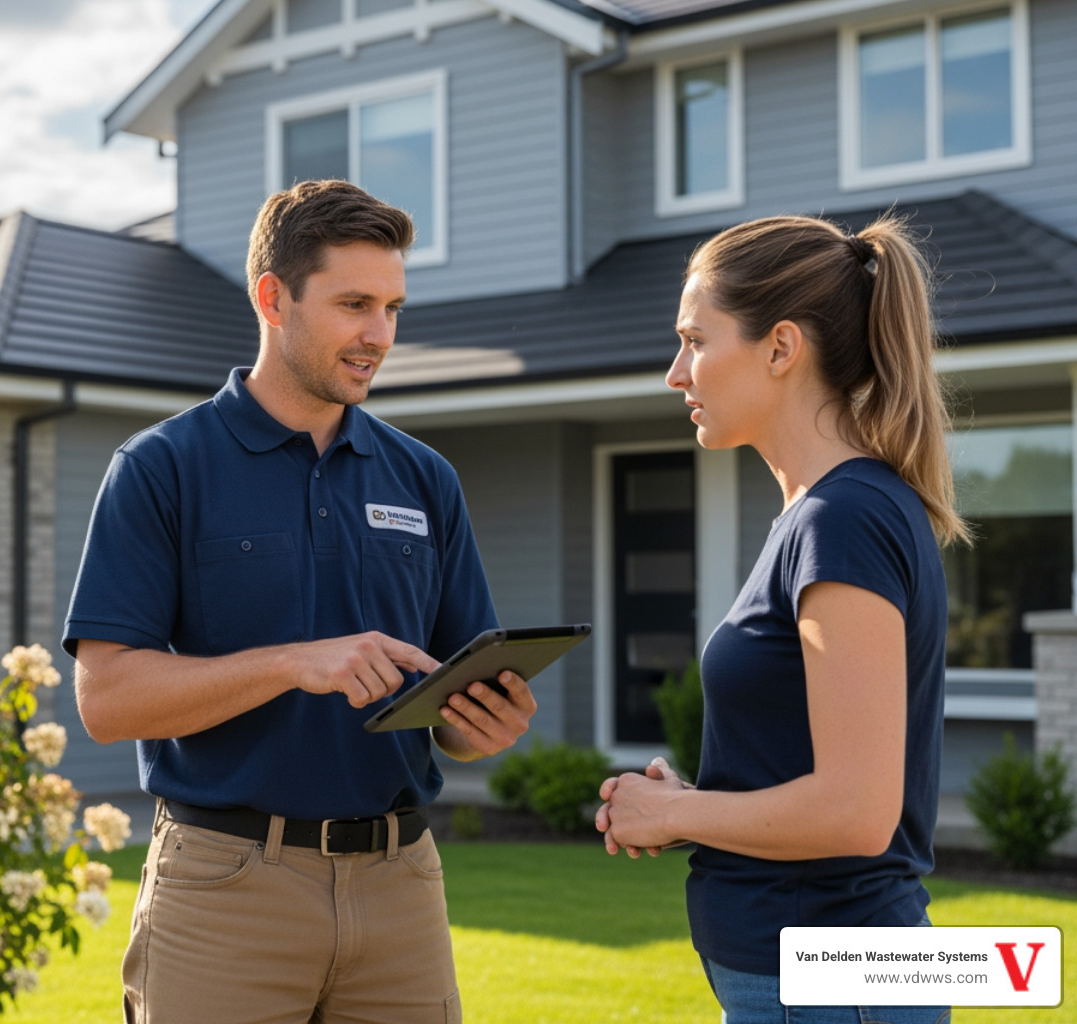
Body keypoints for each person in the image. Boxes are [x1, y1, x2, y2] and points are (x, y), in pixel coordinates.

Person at [62, 179, 538, 1023]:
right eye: (354, 304)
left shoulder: (424, 479)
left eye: (392, 307)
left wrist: (478, 725)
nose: (379, 335)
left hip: (401, 888)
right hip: (225, 887)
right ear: (273, 298)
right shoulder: (162, 467)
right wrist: (293, 664)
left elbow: (458, 705)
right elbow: (107, 701)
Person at [595, 213, 966, 1024]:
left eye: (695, 340)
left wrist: (678, 812)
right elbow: (816, 779)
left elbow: (857, 812)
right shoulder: (826, 514)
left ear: (780, 348)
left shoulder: (844, 518)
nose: (675, 372)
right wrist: (698, 803)